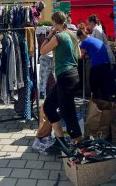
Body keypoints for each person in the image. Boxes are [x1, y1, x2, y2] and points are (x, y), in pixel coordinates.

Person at [40, 11, 82, 146]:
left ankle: (78, 142)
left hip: (65, 77)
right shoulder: (72, 35)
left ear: (54, 22)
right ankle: (60, 141)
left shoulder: (58, 37)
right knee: (49, 106)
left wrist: (50, 35)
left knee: (67, 110)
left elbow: (42, 51)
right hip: (73, 75)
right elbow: (80, 55)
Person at [77, 29, 114, 101]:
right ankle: (106, 107)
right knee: (104, 89)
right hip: (107, 65)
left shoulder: (85, 41)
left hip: (98, 67)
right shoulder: (94, 39)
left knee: (93, 87)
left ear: (81, 36)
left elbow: (81, 56)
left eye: (79, 39)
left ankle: (95, 106)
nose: (80, 41)